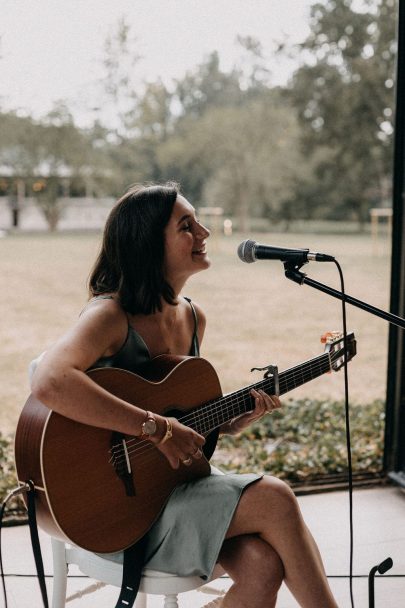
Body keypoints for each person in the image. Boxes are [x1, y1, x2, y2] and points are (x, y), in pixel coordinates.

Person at [31, 183, 338, 608]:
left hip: (174, 487)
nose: (205, 233)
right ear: (148, 244)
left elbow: (181, 409)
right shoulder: (109, 315)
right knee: (275, 498)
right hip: (115, 510)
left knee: (263, 565)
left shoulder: (193, 317)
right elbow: (49, 380)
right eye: (186, 226)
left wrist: (227, 420)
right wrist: (154, 428)